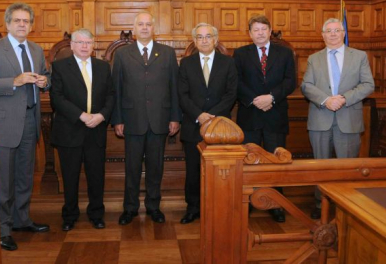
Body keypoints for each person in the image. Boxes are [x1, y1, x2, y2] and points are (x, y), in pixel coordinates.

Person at [0, 2, 51, 251]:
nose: (22, 25)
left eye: (26, 21)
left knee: (24, 176)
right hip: (6, 124)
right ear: (7, 24)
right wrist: (14, 81)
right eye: (17, 20)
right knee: (4, 179)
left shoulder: (37, 50)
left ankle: (22, 220)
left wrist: (44, 82)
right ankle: (3, 228)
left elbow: (46, 77)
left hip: (31, 120)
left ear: (31, 25)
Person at [111, 12, 181, 225]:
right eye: (140, 24)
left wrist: (175, 117)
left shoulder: (167, 53)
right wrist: (118, 119)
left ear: (153, 28)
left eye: (148, 24)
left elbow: (174, 88)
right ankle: (130, 208)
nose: (144, 28)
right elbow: (117, 89)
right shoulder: (123, 54)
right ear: (134, 29)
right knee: (131, 168)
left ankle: (153, 207)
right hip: (132, 120)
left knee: (155, 167)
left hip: (160, 119)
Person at [301, 18, 374, 219]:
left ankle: (347, 205)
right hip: (320, 118)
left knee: (347, 166)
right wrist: (325, 100)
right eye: (328, 31)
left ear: (343, 33)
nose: (333, 34)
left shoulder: (359, 56)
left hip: (348, 119)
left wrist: (343, 99)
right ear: (322, 35)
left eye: (337, 30)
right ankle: (320, 204)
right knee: (320, 166)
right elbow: (306, 86)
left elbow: (368, 84)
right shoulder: (313, 58)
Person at [233, 15, 296, 223]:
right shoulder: (240, 54)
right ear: (249, 33)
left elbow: (290, 81)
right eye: (256, 30)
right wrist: (254, 100)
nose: (260, 33)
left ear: (270, 31)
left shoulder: (285, 53)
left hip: (275, 114)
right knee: (249, 161)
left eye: (263, 29)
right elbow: (236, 82)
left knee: (276, 161)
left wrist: (271, 97)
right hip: (249, 114)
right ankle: (249, 201)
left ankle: (276, 203)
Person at [50, 28, 114, 231]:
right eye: (80, 42)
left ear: (93, 46)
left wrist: (102, 115)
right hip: (70, 129)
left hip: (96, 129)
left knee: (96, 175)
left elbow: (112, 96)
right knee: (70, 176)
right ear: (72, 45)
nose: (85, 46)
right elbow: (57, 98)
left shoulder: (103, 67)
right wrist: (81, 115)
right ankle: (69, 215)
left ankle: (96, 213)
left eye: (88, 42)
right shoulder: (59, 67)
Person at [178, 23, 237, 224]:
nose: (204, 40)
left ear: (215, 40)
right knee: (193, 170)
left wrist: (212, 115)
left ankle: (218, 208)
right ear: (194, 41)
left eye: (208, 36)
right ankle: (193, 208)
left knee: (219, 171)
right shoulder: (186, 64)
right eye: (200, 37)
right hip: (193, 125)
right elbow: (182, 95)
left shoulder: (228, 63)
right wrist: (199, 115)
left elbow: (231, 94)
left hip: (220, 126)